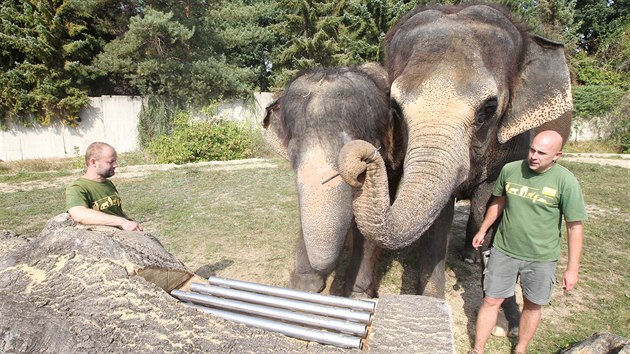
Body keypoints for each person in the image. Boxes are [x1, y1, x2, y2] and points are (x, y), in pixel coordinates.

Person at [470, 130, 587, 354]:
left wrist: (572, 268)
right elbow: (499, 202)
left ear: (557, 155)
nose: (533, 156)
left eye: (541, 153)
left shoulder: (566, 182)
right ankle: (477, 349)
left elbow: (574, 226)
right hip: (504, 250)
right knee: (491, 301)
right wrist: (483, 230)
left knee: (532, 306)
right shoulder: (511, 170)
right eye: (532, 149)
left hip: (541, 257)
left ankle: (521, 348)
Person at [65, 142, 143, 231]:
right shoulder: (77, 187)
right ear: (93, 162)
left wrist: (128, 222)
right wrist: (122, 222)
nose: (116, 165)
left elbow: (115, 212)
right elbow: (79, 214)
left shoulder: (108, 183)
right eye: (111, 161)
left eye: (115, 160)